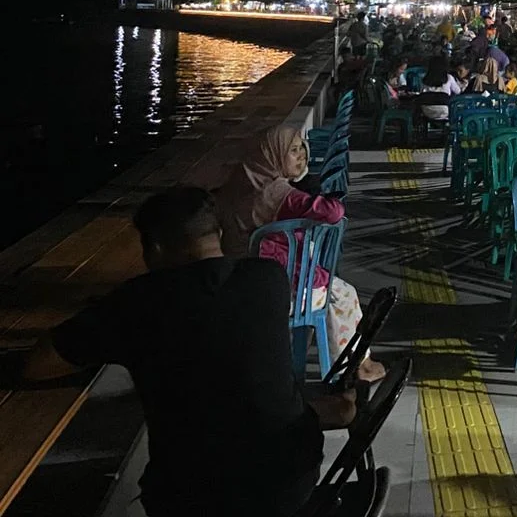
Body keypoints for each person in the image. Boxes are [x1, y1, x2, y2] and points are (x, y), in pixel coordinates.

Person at [22, 187, 356, 517]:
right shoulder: (268, 278)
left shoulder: (139, 302)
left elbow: (37, 365)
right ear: (219, 234)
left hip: (199, 498)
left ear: (153, 248)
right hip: (293, 478)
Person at [212, 127, 385, 383]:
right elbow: (332, 212)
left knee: (331, 291)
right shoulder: (278, 193)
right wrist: (309, 187)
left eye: (301, 147)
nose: (302, 155)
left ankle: (297, 360)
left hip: (238, 281)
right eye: (292, 151)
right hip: (277, 289)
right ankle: (357, 365)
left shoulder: (238, 186)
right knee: (343, 294)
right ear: (273, 156)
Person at [418, 54, 460, 126]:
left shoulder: (424, 79)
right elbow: (458, 91)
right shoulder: (449, 78)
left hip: (427, 111)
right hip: (444, 110)